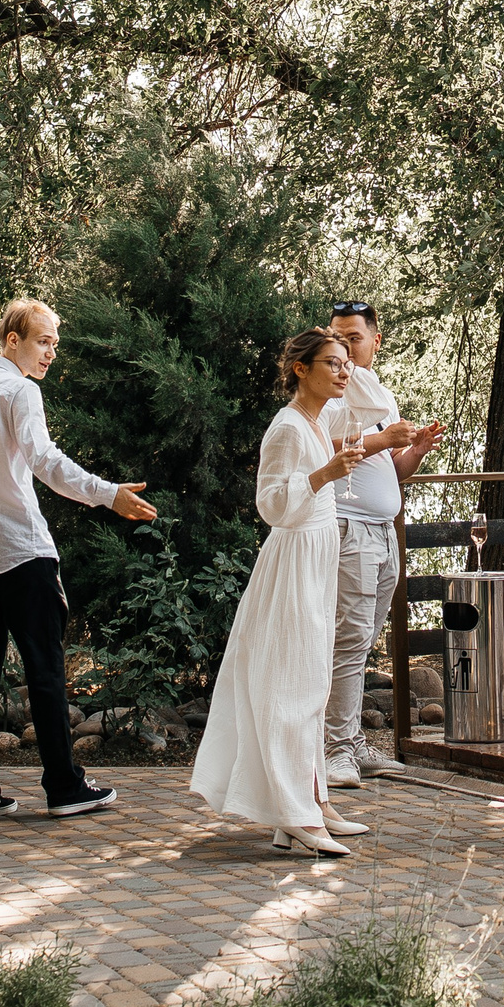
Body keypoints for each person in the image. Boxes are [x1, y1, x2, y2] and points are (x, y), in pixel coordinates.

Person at [0, 299, 156, 821]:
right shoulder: (19, 389)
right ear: (12, 340)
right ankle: (64, 786)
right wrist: (108, 494)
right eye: (42, 341)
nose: (50, 352)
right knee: (46, 672)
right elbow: (45, 460)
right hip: (19, 550)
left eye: (54, 342)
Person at [193, 328, 372, 856]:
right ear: (301, 369)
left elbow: (370, 399)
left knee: (312, 682)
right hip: (293, 560)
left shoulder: (320, 422)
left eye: (347, 363)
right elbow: (270, 505)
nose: (344, 372)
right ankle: (294, 812)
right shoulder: (289, 429)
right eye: (333, 364)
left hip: (317, 558)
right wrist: (323, 475)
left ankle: (309, 800)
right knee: (292, 683)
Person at [320, 300, 443, 789]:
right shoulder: (330, 389)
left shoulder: (380, 396)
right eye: (336, 336)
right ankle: (334, 751)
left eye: (352, 337)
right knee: (346, 640)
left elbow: (391, 471)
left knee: (364, 643)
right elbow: (315, 444)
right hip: (347, 528)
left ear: (375, 341)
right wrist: (381, 439)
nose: (344, 347)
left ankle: (351, 743)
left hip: (384, 532)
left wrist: (413, 449)